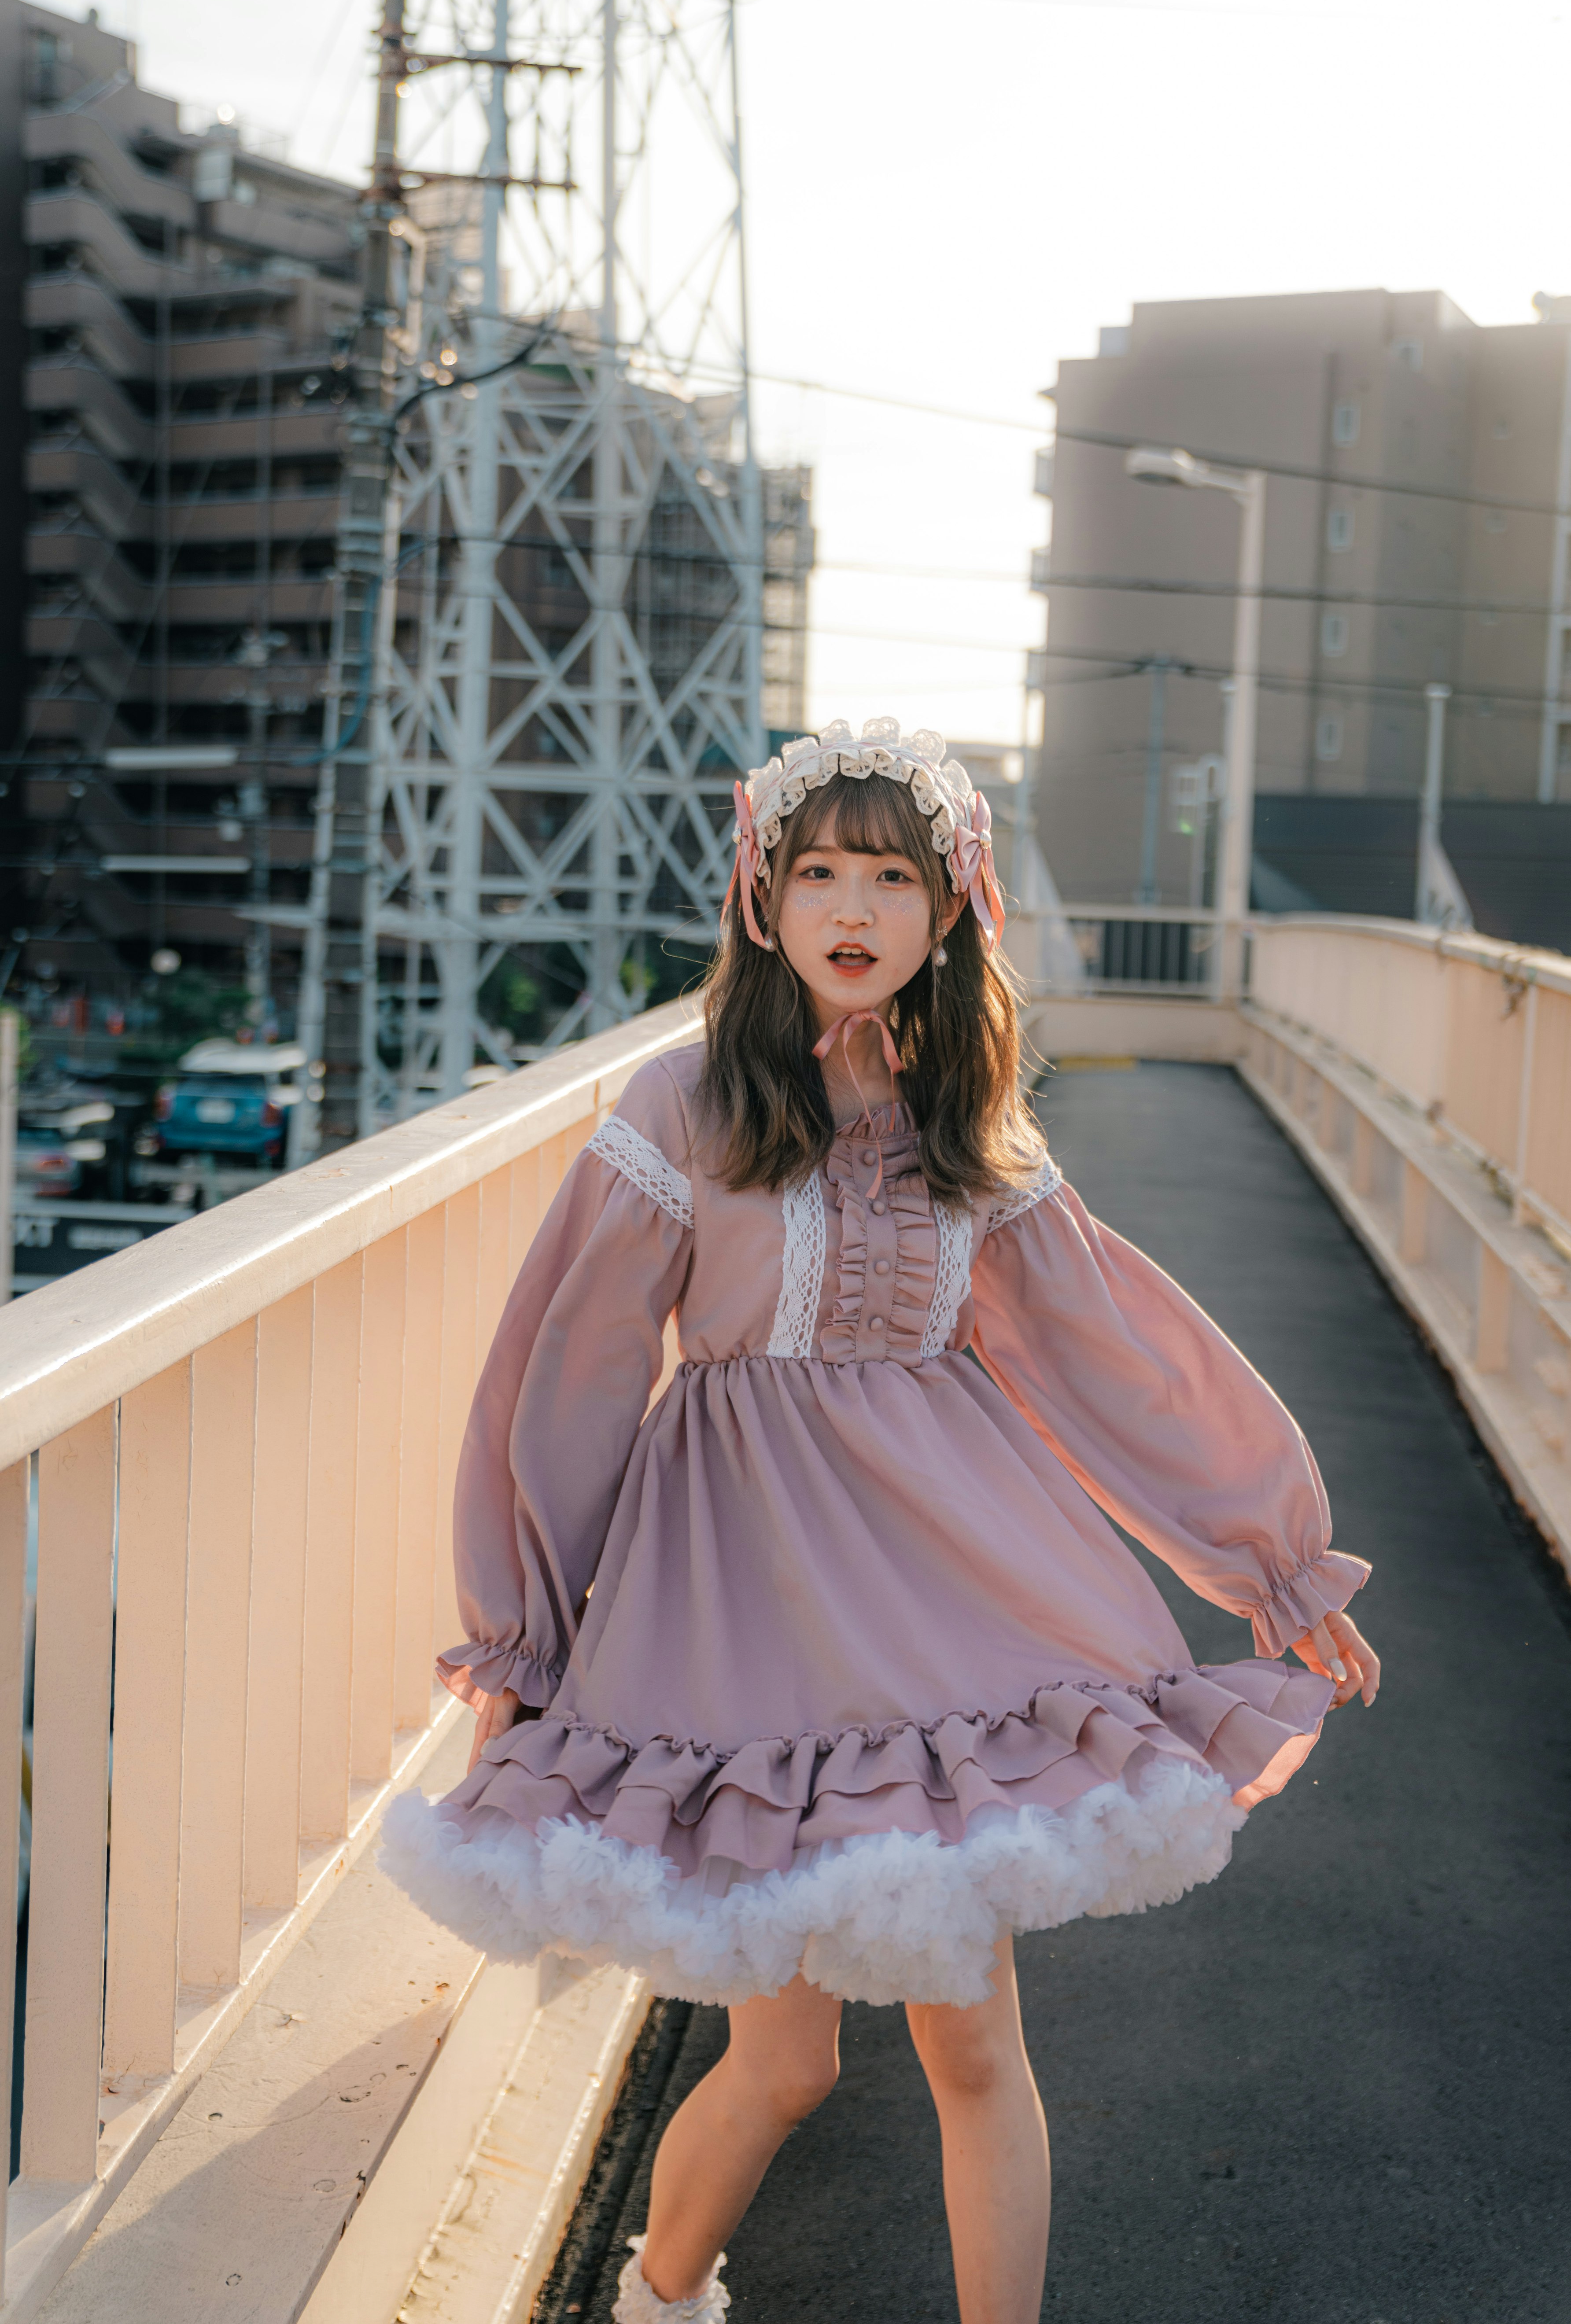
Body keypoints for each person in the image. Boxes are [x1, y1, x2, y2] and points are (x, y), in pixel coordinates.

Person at [384, 716, 1379, 2324]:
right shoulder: (685, 1103)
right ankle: (659, 2298)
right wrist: (527, 1631)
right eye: (821, 870)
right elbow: (563, 1379)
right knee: (783, 2065)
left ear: (948, 908)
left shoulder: (965, 1124)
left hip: (942, 1603)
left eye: (894, 875)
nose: (854, 906)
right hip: (736, 1611)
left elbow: (1114, 1355)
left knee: (975, 2040)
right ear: (764, 900)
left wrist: (1271, 1556)